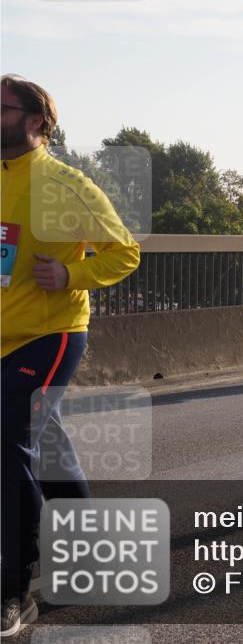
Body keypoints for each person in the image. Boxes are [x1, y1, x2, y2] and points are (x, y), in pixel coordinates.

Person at [2, 75, 141, 637]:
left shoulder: (63, 183)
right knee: (48, 443)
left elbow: (124, 251)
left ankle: (15, 586)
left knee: (7, 438)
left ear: (37, 121)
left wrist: (70, 273)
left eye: (2, 107)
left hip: (52, 332)